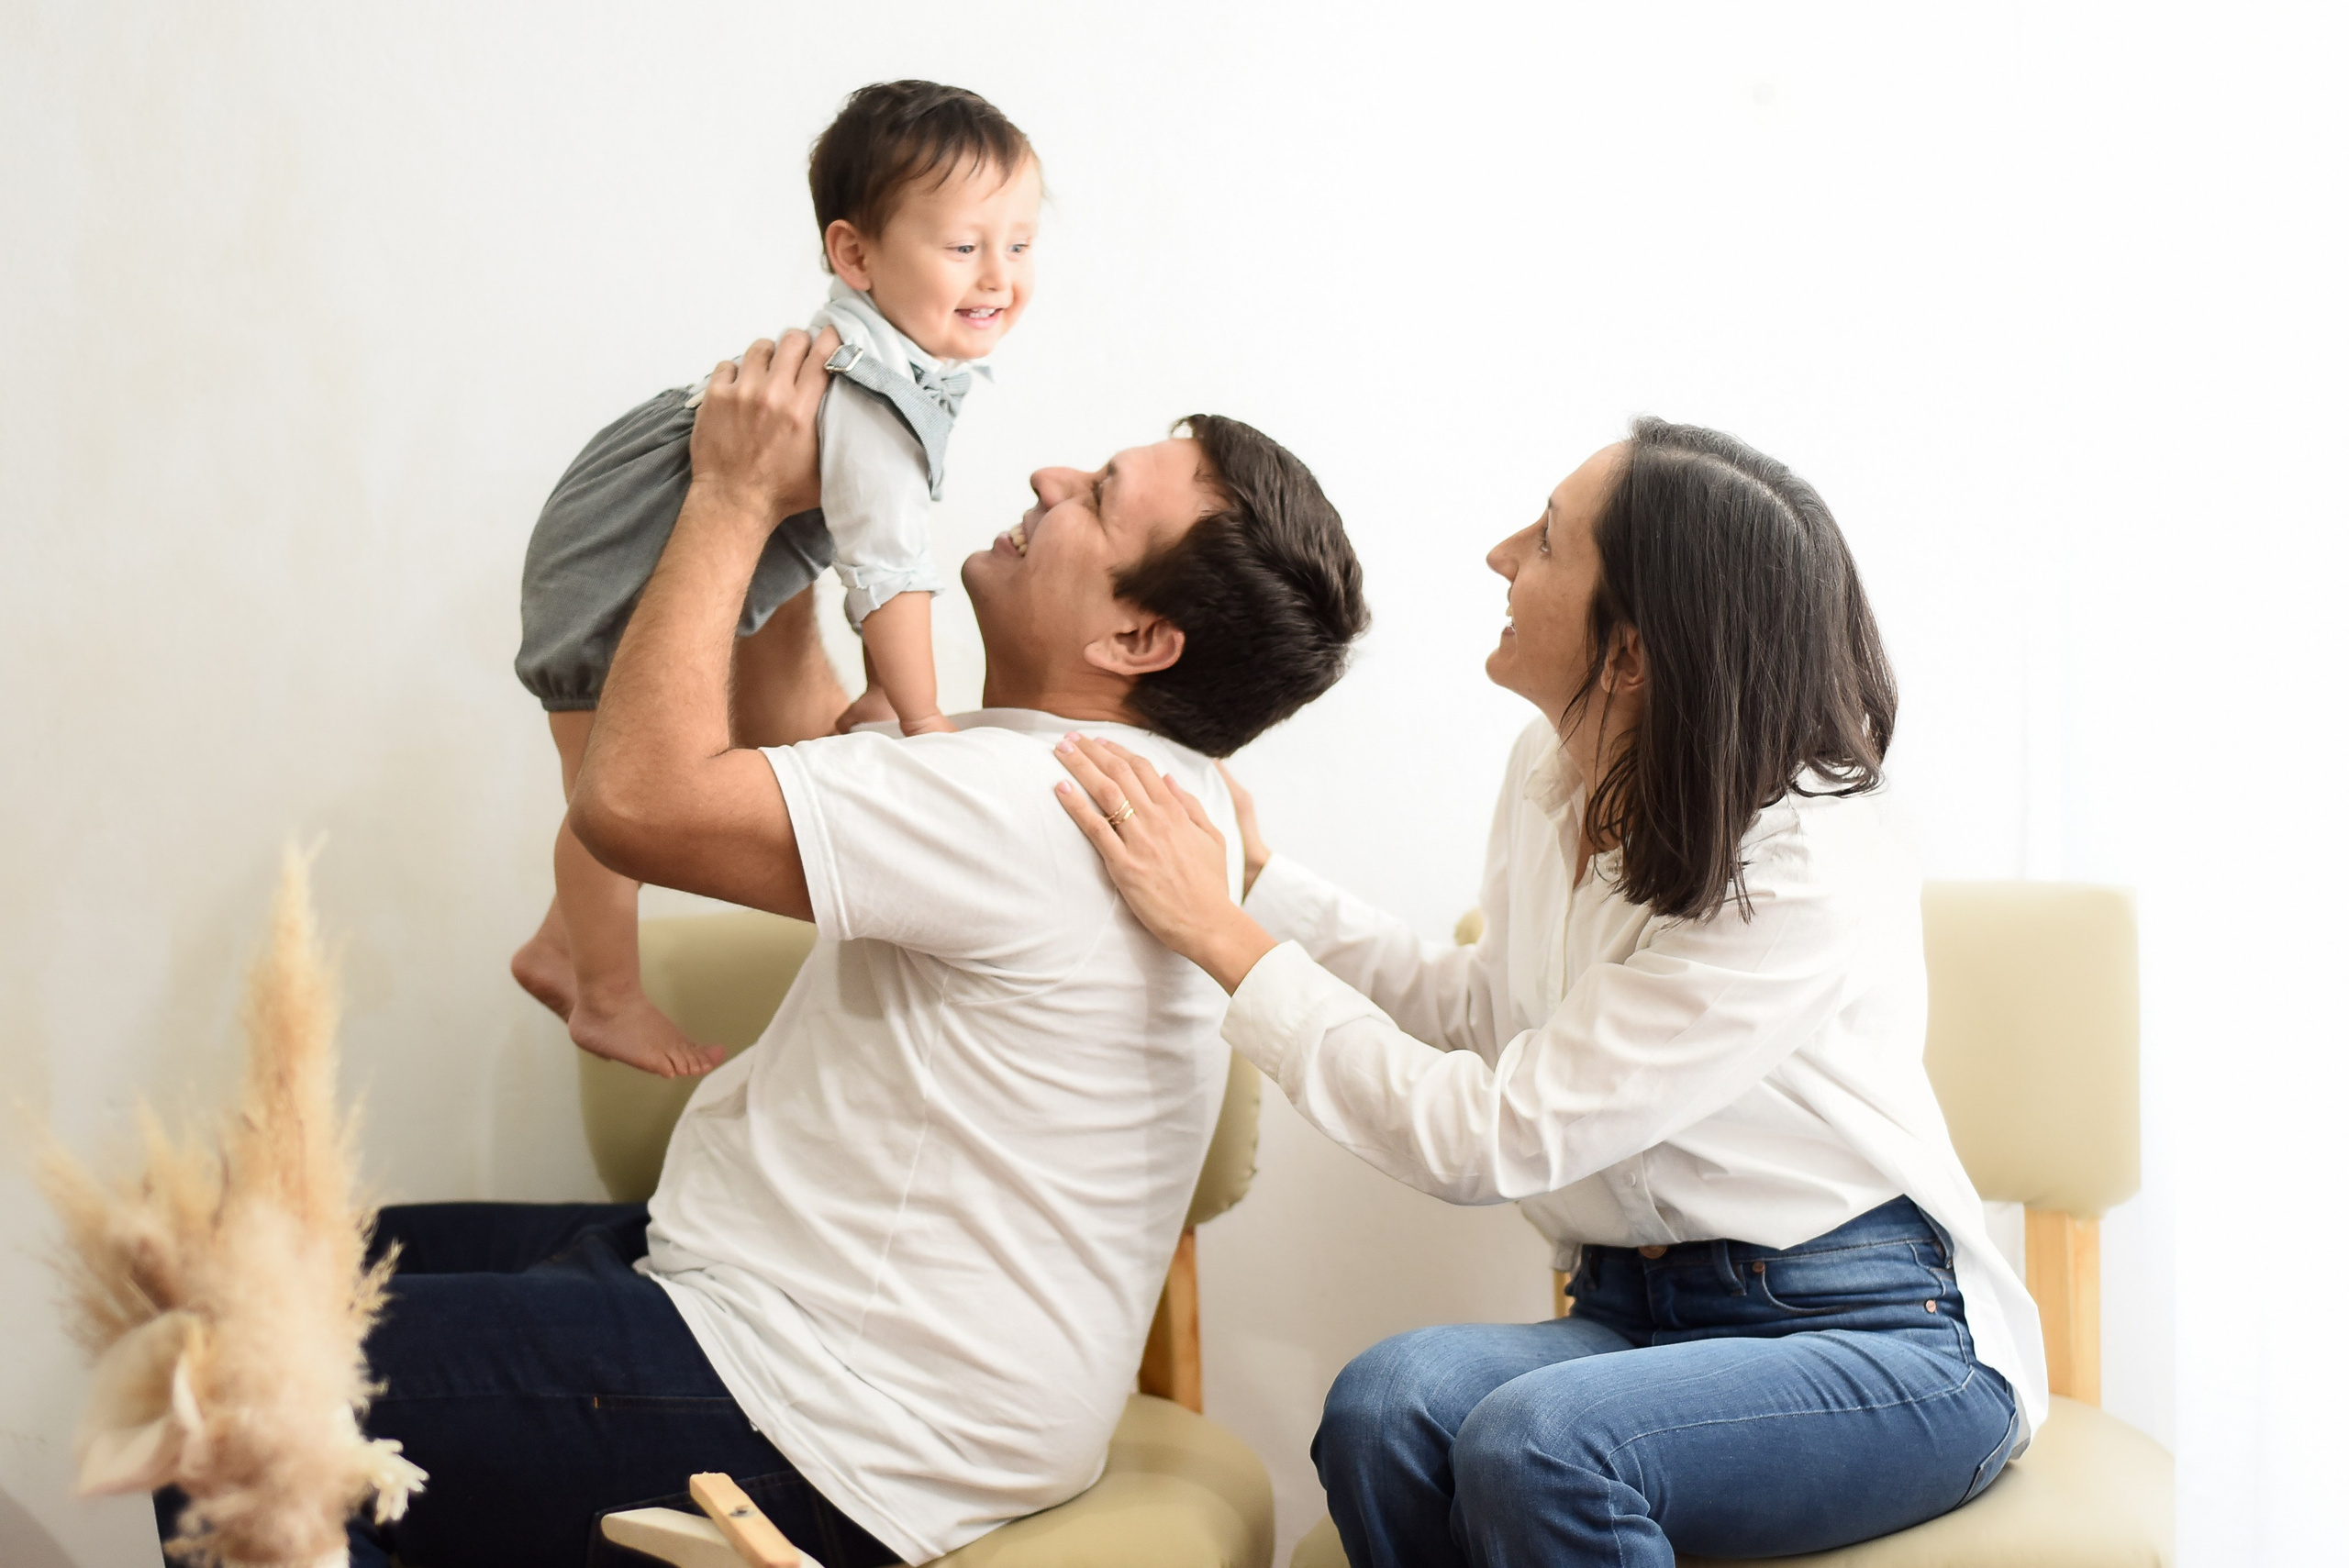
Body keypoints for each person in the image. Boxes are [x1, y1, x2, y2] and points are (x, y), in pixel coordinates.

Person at [203, 329, 1367, 1568]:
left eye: (1096, 499)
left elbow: (634, 803)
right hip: (797, 1320)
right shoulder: (1125, 787)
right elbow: (799, 736)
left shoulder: (1024, 804)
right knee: (262, 1263)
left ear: (1137, 642)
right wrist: (807, 525)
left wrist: (733, 490)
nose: (1044, 479)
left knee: (224, 1380)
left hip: (821, 1409)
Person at [1051, 418, 2044, 1567]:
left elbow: (1490, 1135)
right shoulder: (1553, 772)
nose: (1499, 554)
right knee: (1384, 1407)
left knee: (1544, 1443)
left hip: (1877, 1335)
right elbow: (1486, 1015)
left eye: (1547, 543)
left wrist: (1224, 940)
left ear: (1629, 653)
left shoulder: (1805, 864)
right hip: (1634, 1314)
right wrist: (1259, 885)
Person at [509, 81, 1041, 1079]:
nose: (998, 276)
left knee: (605, 785)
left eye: (1018, 244)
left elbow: (856, 538)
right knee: (603, 797)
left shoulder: (891, 356)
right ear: (855, 255)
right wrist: (923, 722)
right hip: (609, 561)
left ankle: (556, 943)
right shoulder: (876, 393)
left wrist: (888, 686)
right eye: (965, 246)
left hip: (617, 520)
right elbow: (888, 566)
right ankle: (604, 995)